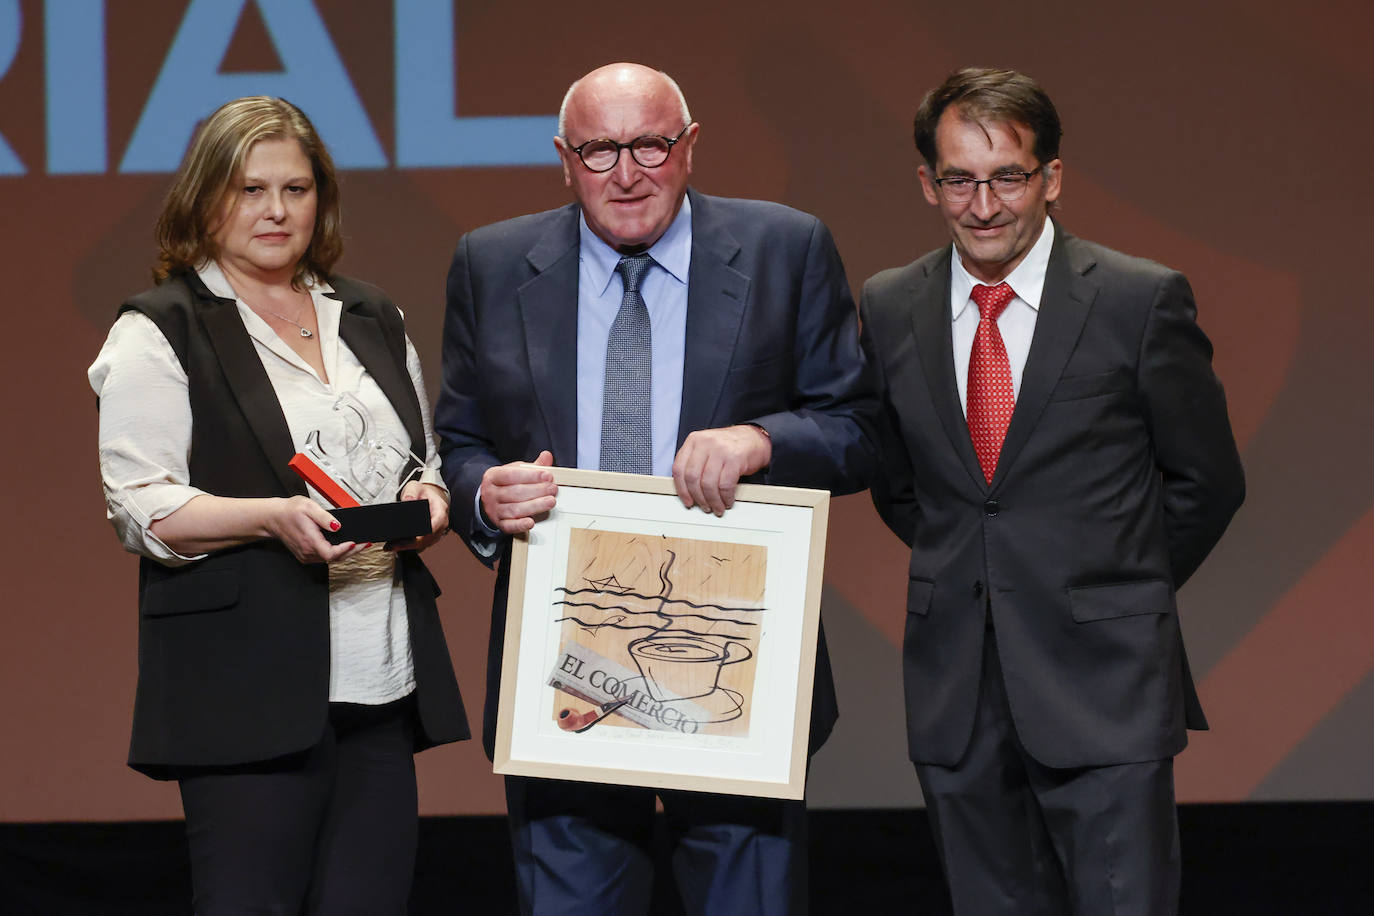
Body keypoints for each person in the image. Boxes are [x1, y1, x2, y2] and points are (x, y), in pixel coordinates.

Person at [435, 63, 877, 915]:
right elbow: (459, 441)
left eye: (650, 144)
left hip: (737, 671)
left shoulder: (787, 248)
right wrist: (483, 496)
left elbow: (858, 430)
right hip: (561, 672)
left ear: (691, 146)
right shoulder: (489, 264)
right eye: (600, 151)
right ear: (565, 158)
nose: (627, 173)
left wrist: (761, 441)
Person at [860, 67, 1245, 915]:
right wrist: (985, 576)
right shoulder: (890, 305)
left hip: (1104, 683)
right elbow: (898, 482)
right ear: (928, 183)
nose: (984, 204)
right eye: (960, 179)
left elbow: (1206, 482)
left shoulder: (1138, 299)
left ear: (1052, 178)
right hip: (958, 684)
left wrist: (1105, 589)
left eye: (1008, 176)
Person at [88, 96, 468, 915]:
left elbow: (421, 460)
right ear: (204, 199)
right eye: (250, 188)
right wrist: (271, 515)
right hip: (245, 688)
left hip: (380, 682)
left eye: (296, 189)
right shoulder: (161, 329)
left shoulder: (369, 314)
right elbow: (142, 507)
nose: (276, 210)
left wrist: (427, 499)